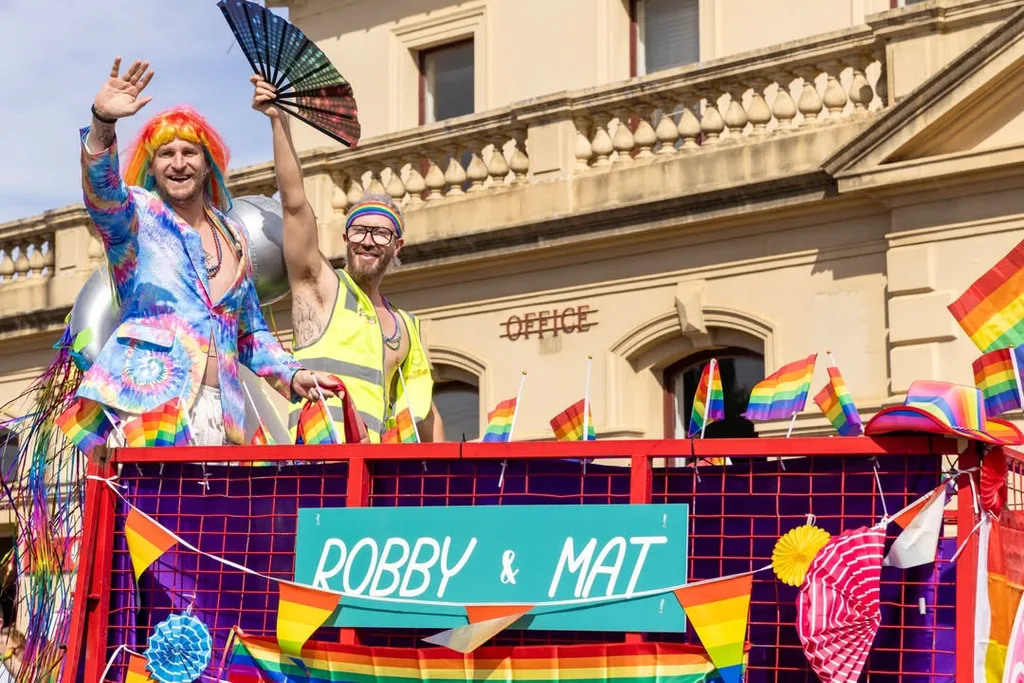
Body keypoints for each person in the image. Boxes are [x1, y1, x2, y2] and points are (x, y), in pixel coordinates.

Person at [76, 57, 339, 448]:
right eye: (166, 154)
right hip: (148, 409)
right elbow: (102, 194)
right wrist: (102, 123)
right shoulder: (137, 217)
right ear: (152, 165)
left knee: (214, 510)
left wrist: (292, 373)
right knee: (149, 512)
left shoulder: (232, 235)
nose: (178, 163)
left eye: (190, 153)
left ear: (206, 164)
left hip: (223, 413)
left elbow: (248, 333)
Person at [251, 76, 444, 443]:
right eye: (359, 231)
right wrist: (279, 121)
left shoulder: (406, 328)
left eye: (380, 233)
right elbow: (293, 204)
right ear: (345, 238)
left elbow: (425, 415)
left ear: (397, 245)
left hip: (371, 481)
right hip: (316, 469)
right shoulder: (321, 287)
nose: (367, 241)